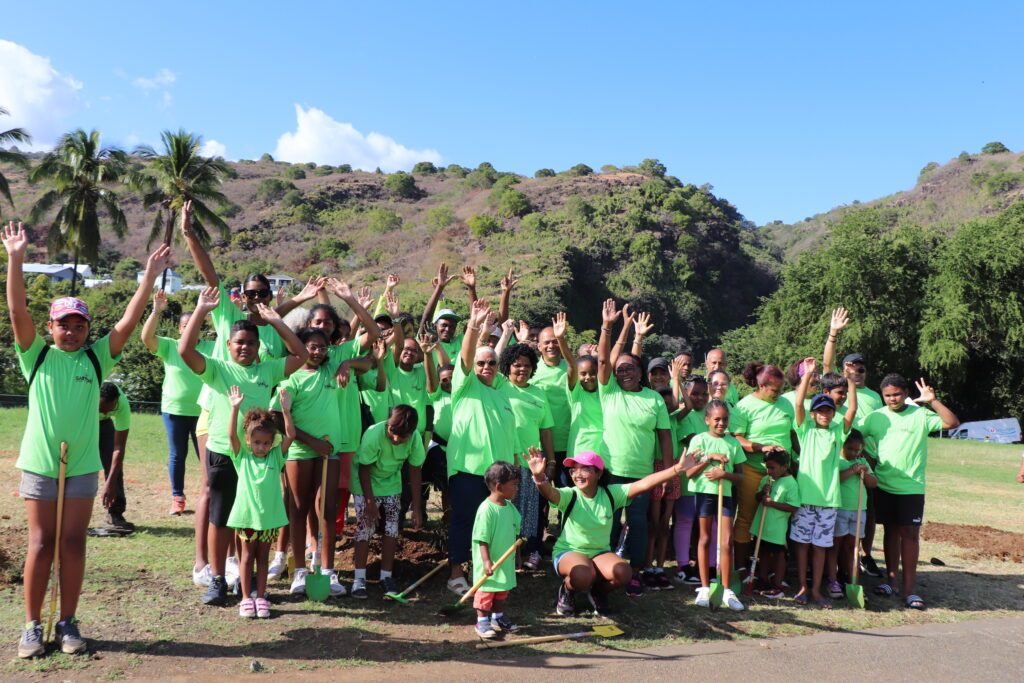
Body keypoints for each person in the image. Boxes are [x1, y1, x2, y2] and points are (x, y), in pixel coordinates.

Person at [5, 220, 171, 658]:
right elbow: (18, 312)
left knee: (74, 543)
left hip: (80, 466)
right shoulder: (36, 355)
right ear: (53, 326)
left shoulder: (96, 359)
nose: (73, 332)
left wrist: (149, 278)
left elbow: (129, 320)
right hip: (41, 463)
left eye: (80, 325)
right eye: (65, 324)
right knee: (40, 544)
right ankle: (31, 626)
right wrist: (16, 258)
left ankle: (68, 622)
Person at [179, 286, 307, 606]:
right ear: (229, 345)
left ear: (258, 345)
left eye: (251, 342)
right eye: (239, 343)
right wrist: (200, 312)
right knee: (221, 517)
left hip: (258, 458)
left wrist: (277, 321)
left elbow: (301, 355)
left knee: (251, 519)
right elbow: (184, 351)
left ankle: (247, 580)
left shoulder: (268, 369)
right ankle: (219, 579)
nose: (245, 347)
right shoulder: (218, 368)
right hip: (224, 452)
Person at [529, 449, 698, 618]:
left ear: (599, 473)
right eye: (574, 470)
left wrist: (677, 468)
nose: (577, 474)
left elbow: (645, 483)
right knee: (583, 574)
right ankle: (567, 591)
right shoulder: (570, 494)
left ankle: (597, 593)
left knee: (623, 572)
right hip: (569, 552)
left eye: (585, 469)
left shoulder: (611, 493)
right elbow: (549, 493)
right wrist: (539, 477)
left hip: (599, 553)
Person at [596, 300, 674, 597]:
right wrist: (609, 326)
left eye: (630, 368)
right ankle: (608, 569)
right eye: (620, 369)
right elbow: (604, 360)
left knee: (639, 524)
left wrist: (666, 474)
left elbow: (665, 437)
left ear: (640, 372)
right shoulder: (610, 391)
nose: (624, 372)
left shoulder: (654, 399)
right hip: (610, 472)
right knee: (611, 523)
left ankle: (636, 572)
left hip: (642, 474)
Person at [861, 374, 958, 610]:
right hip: (883, 485)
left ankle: (909, 590)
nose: (892, 399)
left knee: (910, 535)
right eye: (887, 395)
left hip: (911, 487)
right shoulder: (874, 418)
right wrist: (866, 460)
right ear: (882, 396)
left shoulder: (920, 415)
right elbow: (852, 436)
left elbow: (951, 423)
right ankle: (891, 583)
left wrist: (932, 401)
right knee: (891, 533)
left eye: (896, 394)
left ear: (905, 393)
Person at [444, 300, 521, 595]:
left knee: (495, 527)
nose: (486, 367)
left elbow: (512, 440)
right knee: (464, 522)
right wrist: (474, 326)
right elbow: (466, 356)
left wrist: (514, 472)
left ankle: (486, 572)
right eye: (481, 363)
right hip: (468, 471)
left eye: (491, 363)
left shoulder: (502, 395)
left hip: (500, 476)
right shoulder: (465, 386)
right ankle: (455, 575)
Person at [269, 328, 345, 597]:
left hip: (329, 451)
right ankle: (300, 570)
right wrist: (313, 442)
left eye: (322, 348)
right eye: (312, 347)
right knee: (298, 509)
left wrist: (346, 363)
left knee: (328, 510)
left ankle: (327, 570)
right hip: (300, 452)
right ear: (300, 348)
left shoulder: (331, 371)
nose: (317, 352)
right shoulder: (290, 379)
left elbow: (366, 359)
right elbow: (277, 418)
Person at [822, 307, 885, 576]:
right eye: (851, 367)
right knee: (837, 510)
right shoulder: (837, 387)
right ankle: (832, 564)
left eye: (861, 368)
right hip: (836, 454)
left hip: (863, 458)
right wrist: (833, 333)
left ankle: (865, 554)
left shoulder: (874, 396)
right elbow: (826, 366)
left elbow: (877, 430)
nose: (857, 372)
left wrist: (871, 457)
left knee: (866, 509)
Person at [141, 290, 215, 518]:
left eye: (193, 324)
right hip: (174, 410)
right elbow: (146, 338)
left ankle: (210, 496)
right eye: (184, 325)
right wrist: (155, 311)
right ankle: (178, 498)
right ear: (179, 328)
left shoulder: (210, 348)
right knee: (177, 455)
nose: (187, 328)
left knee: (207, 456)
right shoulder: (170, 346)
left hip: (203, 411)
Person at [790, 358, 856, 608]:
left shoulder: (838, 432)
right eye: (820, 410)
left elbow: (851, 410)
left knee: (820, 548)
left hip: (829, 502)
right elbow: (798, 402)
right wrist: (807, 374)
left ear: (833, 413)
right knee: (803, 546)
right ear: (813, 413)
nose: (824, 414)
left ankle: (817, 590)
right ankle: (803, 588)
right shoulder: (805, 429)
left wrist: (850, 381)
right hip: (806, 499)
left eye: (828, 410)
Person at [227, 386, 293, 619]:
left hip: (268, 519)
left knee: (263, 559)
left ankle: (261, 597)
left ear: (272, 442)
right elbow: (231, 437)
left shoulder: (276, 456)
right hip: (246, 518)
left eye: (266, 443)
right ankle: (246, 598)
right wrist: (234, 409)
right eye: (256, 442)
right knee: (246, 557)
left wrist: (286, 411)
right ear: (249, 441)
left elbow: (291, 436)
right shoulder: (242, 457)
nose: (261, 447)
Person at [493, 331, 554, 570]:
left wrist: (551, 463)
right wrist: (506, 333)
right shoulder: (499, 386)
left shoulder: (539, 393)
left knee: (531, 511)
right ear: (507, 367)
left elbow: (546, 430)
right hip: (505, 461)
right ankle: (508, 556)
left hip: (531, 463)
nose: (522, 369)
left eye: (527, 366)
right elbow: (494, 359)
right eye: (517, 365)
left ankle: (531, 551)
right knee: (505, 508)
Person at [351, 405, 425, 597]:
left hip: (391, 483)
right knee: (365, 528)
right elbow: (363, 469)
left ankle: (386, 577)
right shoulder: (374, 434)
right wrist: (369, 503)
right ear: (388, 425)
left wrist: (417, 508)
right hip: (365, 483)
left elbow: (415, 471)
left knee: (391, 528)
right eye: (393, 433)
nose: (396, 439)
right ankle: (359, 579)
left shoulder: (415, 438)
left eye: (402, 437)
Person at [730, 362, 792, 578]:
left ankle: (770, 569)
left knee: (776, 519)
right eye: (775, 390)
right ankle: (741, 567)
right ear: (762, 385)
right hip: (753, 470)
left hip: (782, 475)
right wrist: (761, 447)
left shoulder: (786, 404)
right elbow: (736, 438)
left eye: (781, 389)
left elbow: (792, 434)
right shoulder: (744, 406)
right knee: (746, 518)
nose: (779, 394)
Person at [686, 400, 747, 610]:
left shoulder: (733, 443)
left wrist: (724, 474)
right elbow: (688, 472)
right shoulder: (698, 440)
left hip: (726, 495)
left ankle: (726, 589)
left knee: (727, 541)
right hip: (705, 493)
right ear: (707, 420)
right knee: (705, 538)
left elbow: (740, 476)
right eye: (717, 419)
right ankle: (704, 587)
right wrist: (708, 457)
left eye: (725, 419)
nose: (721, 423)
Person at [471, 461, 522, 639]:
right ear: (499, 486)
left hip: (505, 561)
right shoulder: (487, 510)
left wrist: (518, 557)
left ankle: (497, 617)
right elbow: (481, 538)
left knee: (502, 591)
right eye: (514, 485)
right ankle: (482, 621)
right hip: (490, 562)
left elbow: (516, 536)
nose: (517, 489)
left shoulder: (510, 508)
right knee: (486, 592)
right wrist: (486, 561)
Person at [829, 429, 877, 592]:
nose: (854, 453)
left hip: (858, 511)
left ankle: (851, 580)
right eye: (850, 449)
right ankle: (832, 579)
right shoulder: (837, 460)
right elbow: (835, 479)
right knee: (836, 545)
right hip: (840, 509)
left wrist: (865, 472)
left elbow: (873, 483)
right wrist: (852, 471)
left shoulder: (862, 461)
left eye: (857, 450)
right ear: (842, 446)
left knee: (852, 547)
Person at [673, 374, 708, 583]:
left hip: (708, 480)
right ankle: (682, 565)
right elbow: (691, 441)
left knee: (704, 524)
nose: (700, 398)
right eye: (695, 394)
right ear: (686, 393)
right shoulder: (682, 415)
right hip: (688, 479)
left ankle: (704, 564)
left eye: (704, 393)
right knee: (685, 520)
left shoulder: (711, 414)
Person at [751, 450, 800, 598]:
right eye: (767, 467)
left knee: (778, 555)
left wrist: (772, 503)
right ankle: (763, 579)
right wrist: (762, 494)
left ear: (785, 467)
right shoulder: (766, 479)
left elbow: (793, 507)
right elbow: (757, 497)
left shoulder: (791, 483)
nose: (769, 471)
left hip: (776, 528)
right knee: (763, 552)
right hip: (762, 524)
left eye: (772, 468)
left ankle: (778, 584)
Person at [97, 382, 132, 531]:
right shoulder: (85, 393)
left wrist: (110, 483)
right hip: (82, 422)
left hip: (104, 426)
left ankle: (115, 514)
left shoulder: (122, 405)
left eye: (109, 410)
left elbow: (119, 448)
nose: (105, 412)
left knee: (114, 467)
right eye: (101, 409)